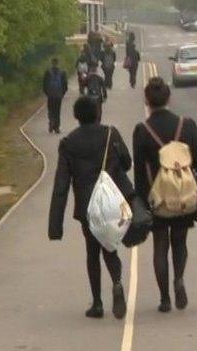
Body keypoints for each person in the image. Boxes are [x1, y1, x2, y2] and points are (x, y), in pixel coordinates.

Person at [48, 96, 133, 320]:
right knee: (110, 246)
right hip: (111, 203)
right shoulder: (110, 134)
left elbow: (61, 185)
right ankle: (117, 282)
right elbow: (127, 161)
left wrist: (55, 226)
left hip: (87, 207)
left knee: (92, 253)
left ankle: (97, 303)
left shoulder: (68, 143)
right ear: (97, 113)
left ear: (76, 116)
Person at [132, 77, 197, 313]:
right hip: (184, 196)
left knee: (160, 245)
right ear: (169, 98)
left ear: (146, 101)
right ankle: (179, 279)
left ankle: (164, 298)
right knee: (180, 241)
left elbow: (138, 170)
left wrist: (142, 200)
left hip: (157, 197)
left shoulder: (142, 130)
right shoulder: (187, 125)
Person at [43, 58, 68, 134]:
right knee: (57, 110)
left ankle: (51, 122)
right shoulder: (62, 72)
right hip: (58, 95)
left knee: (50, 109)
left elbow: (44, 84)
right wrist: (62, 93)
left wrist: (47, 93)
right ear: (58, 63)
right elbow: (65, 85)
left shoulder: (48, 72)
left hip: (50, 95)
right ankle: (57, 127)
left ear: (52, 63)